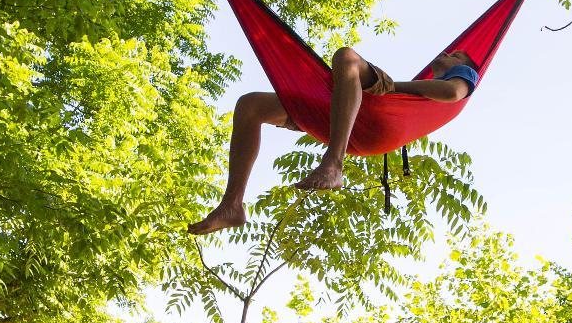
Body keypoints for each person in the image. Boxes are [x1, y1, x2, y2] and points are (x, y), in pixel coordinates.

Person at [188, 46, 480, 234]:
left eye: (456, 54)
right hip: (348, 120)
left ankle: (333, 163)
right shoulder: (425, 87)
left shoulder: (462, 75)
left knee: (347, 58)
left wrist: (391, 89)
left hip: (380, 119)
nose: (448, 53)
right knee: (250, 105)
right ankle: (232, 204)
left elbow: (453, 93)